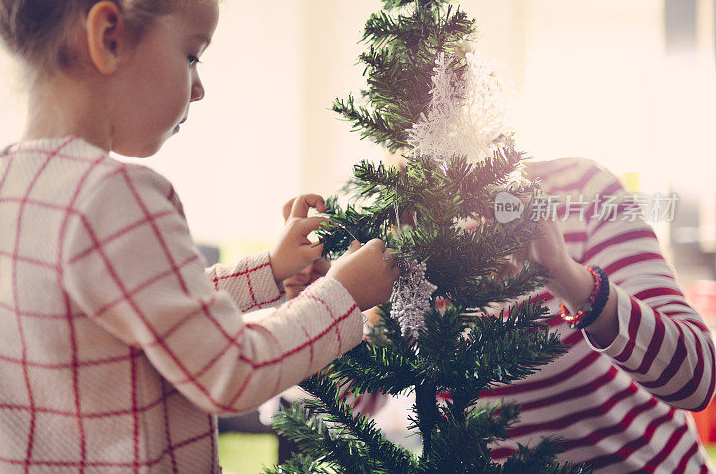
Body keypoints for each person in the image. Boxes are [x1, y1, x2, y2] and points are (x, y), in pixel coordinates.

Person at [0, 0, 401, 472]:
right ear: (109, 38)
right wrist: (345, 292)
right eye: (191, 54)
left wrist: (269, 270)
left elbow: (148, 306)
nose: (198, 88)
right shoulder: (114, 196)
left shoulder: (13, 178)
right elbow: (231, 370)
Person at [292, 156, 716, 472]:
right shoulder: (398, 246)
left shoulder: (583, 190)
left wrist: (566, 277)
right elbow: (331, 414)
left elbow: (696, 379)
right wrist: (325, 306)